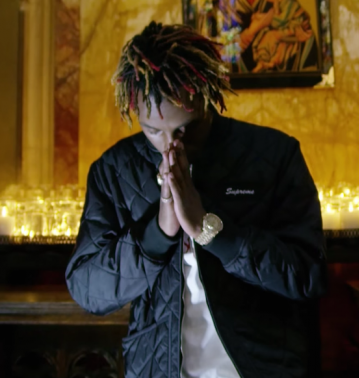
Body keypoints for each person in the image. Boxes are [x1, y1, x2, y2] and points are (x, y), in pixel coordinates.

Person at [66, 22, 327, 378]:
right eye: (153, 131)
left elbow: (308, 275)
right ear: (135, 111)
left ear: (207, 99)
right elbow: (88, 290)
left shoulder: (273, 154)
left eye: (186, 129)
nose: (170, 145)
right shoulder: (114, 171)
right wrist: (158, 234)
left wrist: (210, 230)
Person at [252, 0, 318, 72]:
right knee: (266, 35)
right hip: (285, 30)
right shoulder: (275, 3)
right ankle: (264, 62)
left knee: (272, 36)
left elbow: (282, 21)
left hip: (296, 29)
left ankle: (267, 61)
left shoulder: (290, 2)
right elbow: (274, 19)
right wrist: (261, 17)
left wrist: (262, 18)